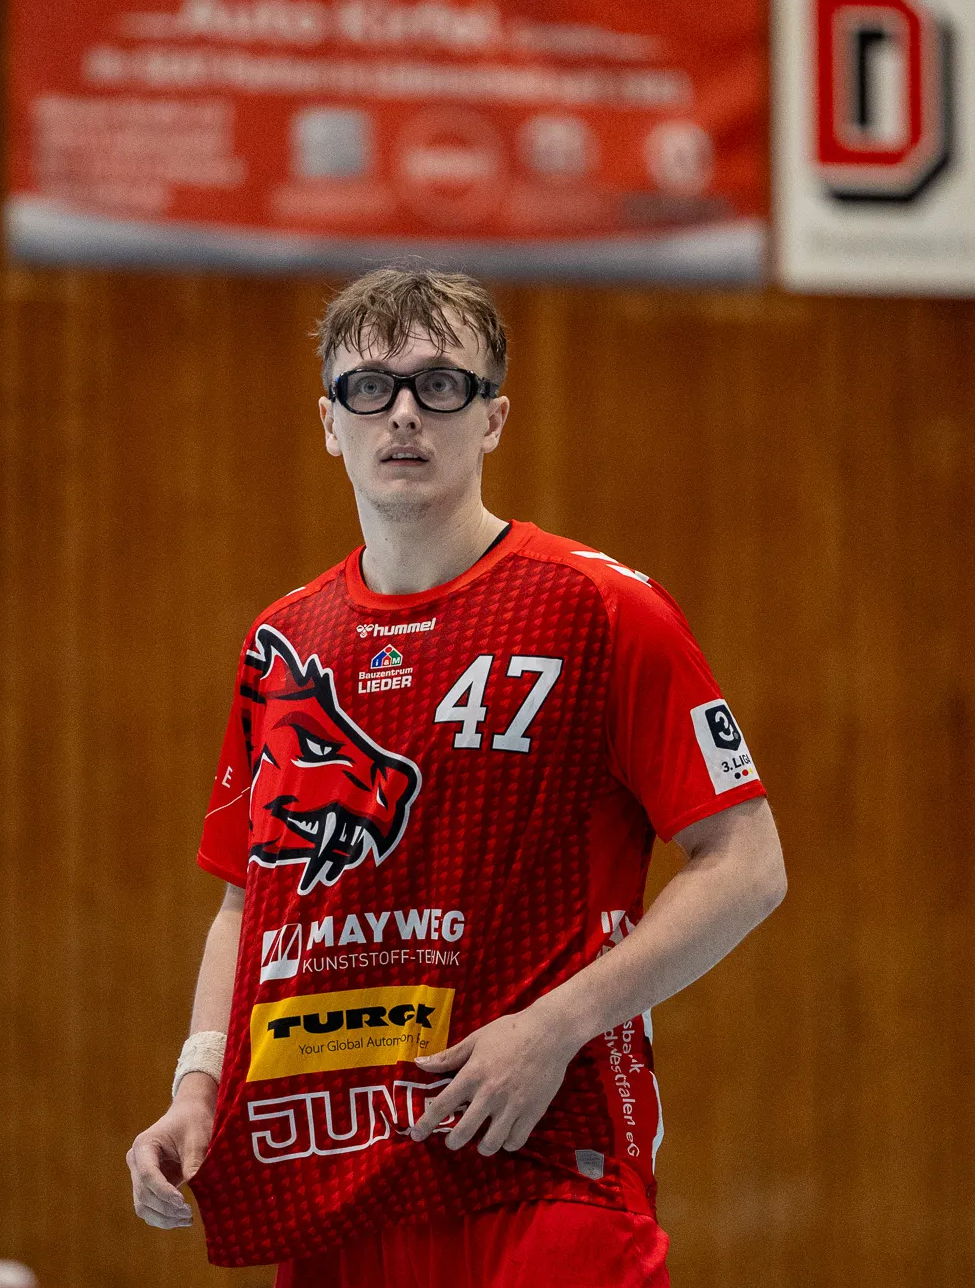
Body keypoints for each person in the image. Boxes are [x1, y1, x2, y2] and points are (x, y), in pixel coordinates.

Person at [125, 267, 790, 1286]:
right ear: (326, 421)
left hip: (540, 1163)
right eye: (369, 387)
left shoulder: (599, 610)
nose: (402, 413)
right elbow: (243, 905)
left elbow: (744, 866)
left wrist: (558, 1023)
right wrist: (200, 1082)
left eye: (440, 385)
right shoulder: (282, 643)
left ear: (492, 418)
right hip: (337, 1183)